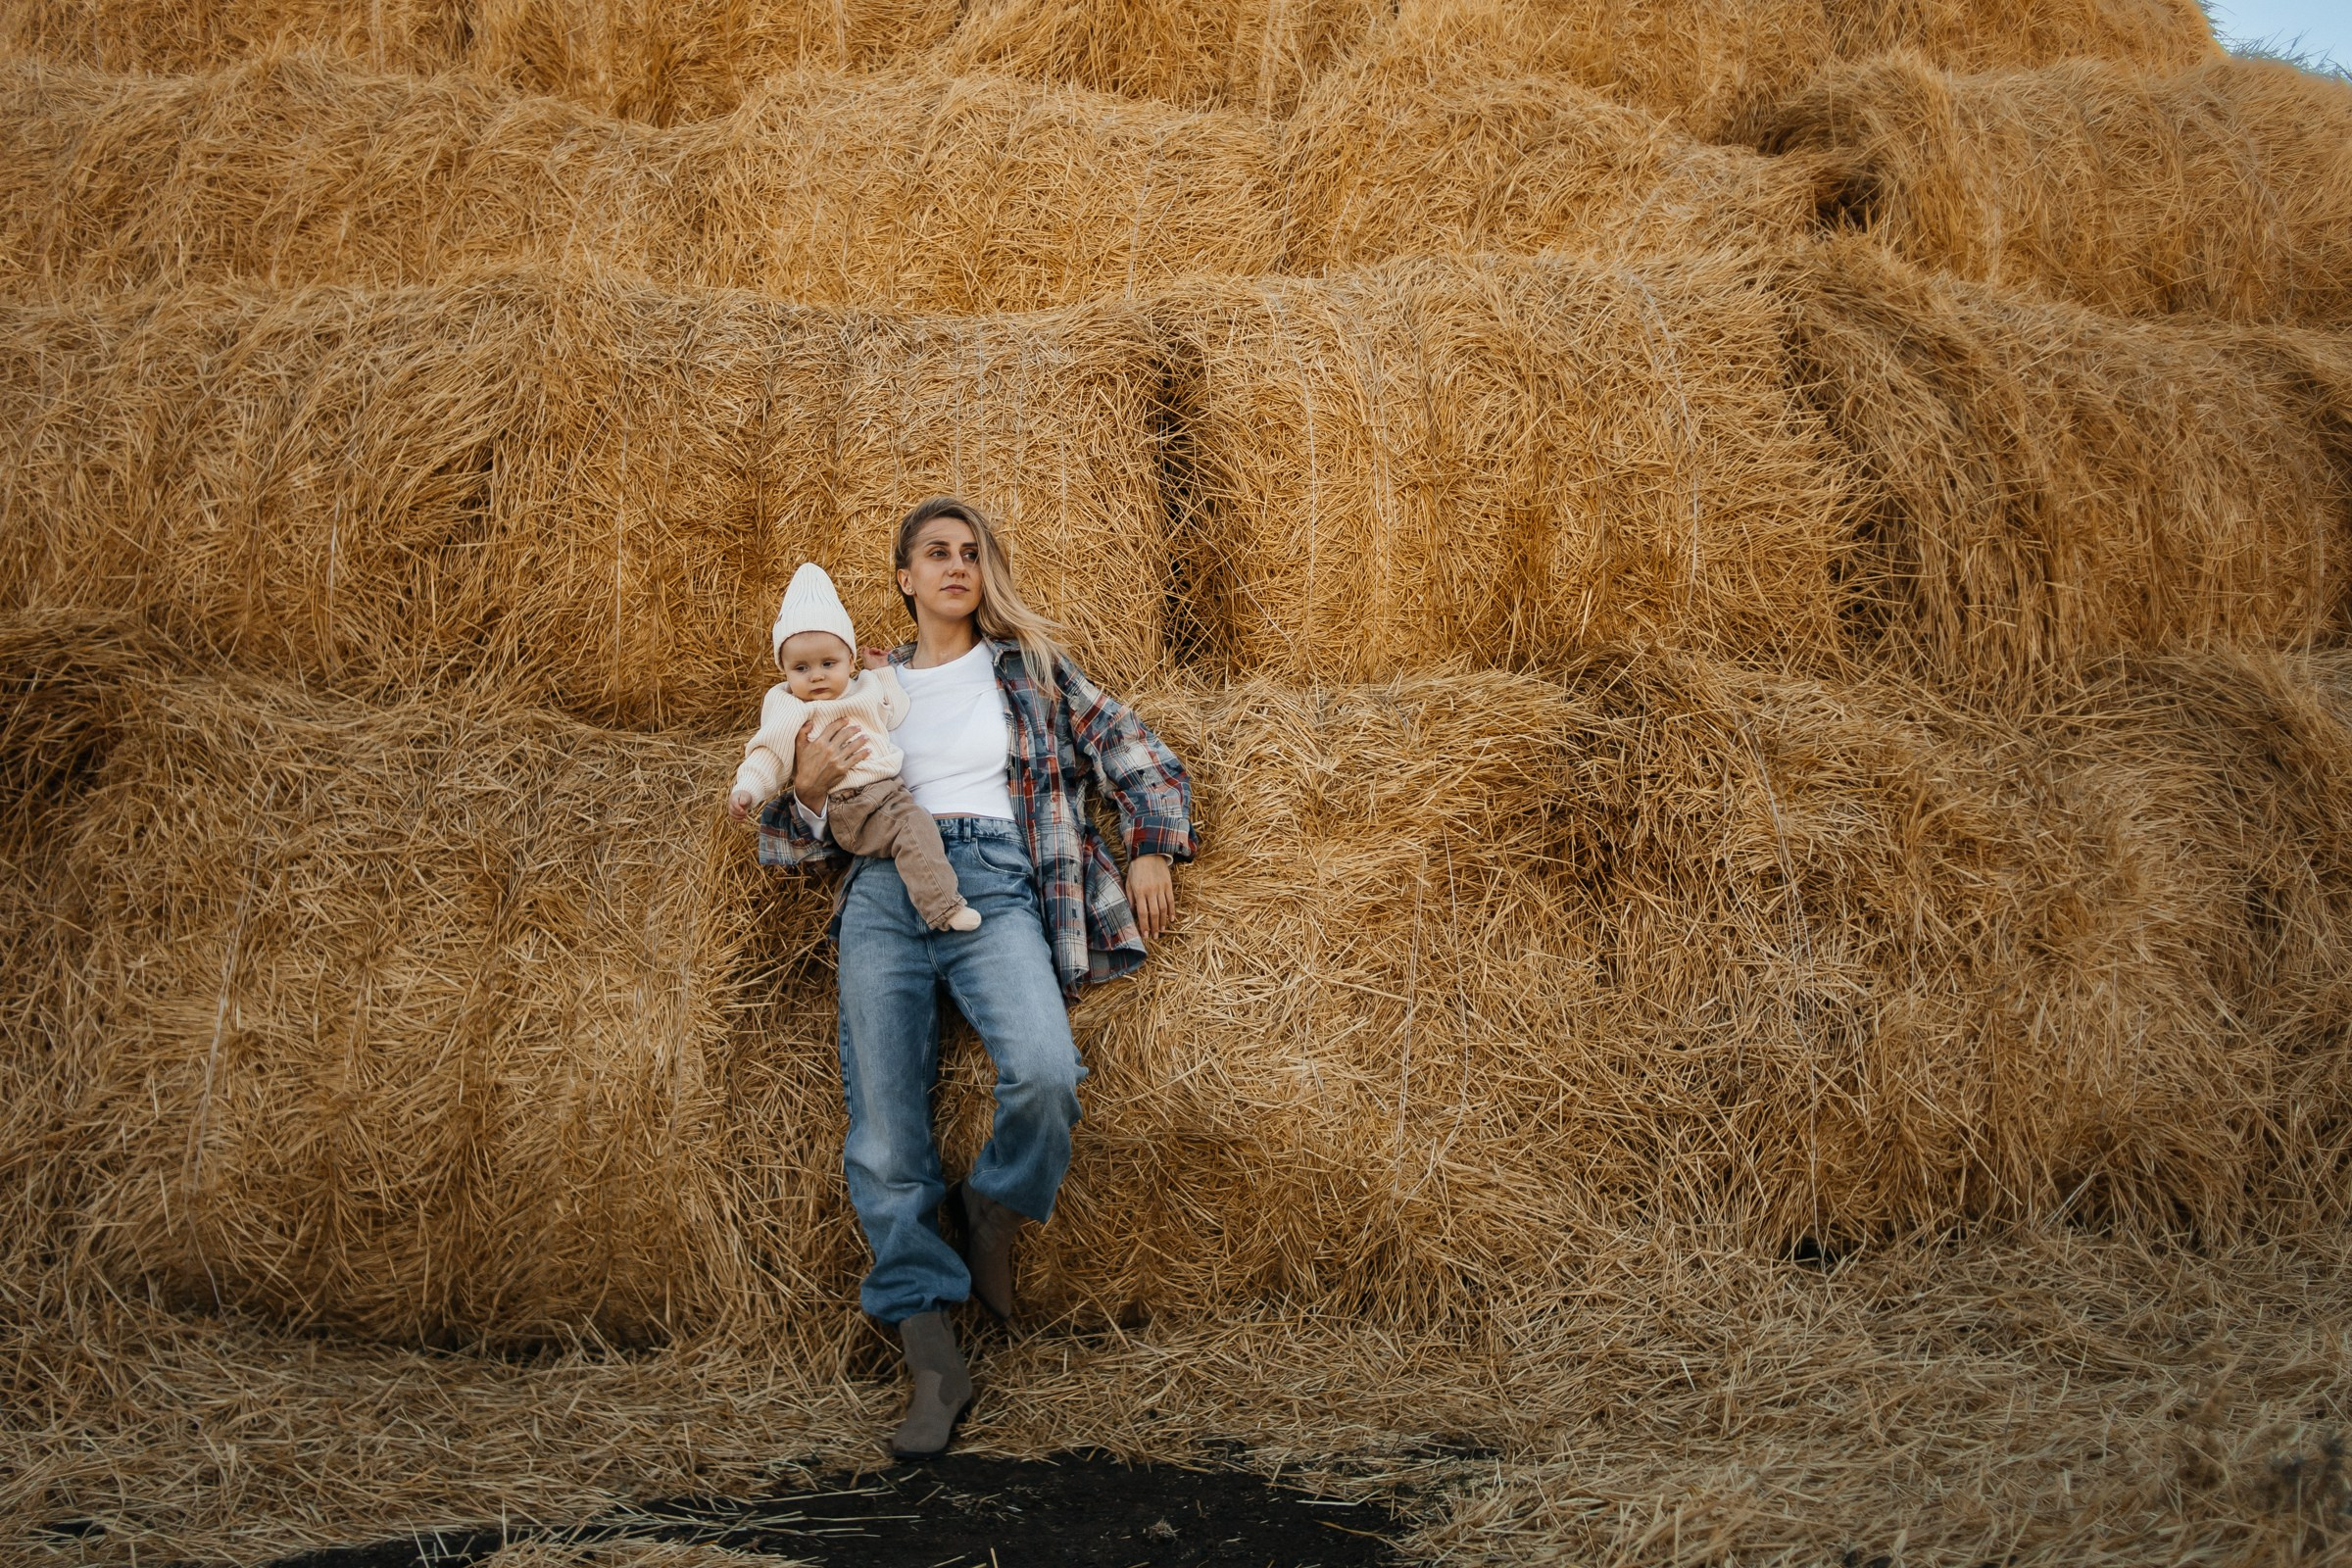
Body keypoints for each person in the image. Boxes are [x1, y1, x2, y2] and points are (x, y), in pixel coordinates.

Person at [754, 497, 1194, 1460]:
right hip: (882, 891)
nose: (957, 566)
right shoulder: (852, 683)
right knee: (885, 1136)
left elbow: (1133, 749)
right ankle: (931, 1358)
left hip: (995, 880)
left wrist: (1153, 846)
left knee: (1045, 1071)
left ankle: (991, 1205)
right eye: (936, 553)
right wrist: (813, 790)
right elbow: (781, 838)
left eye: (971, 552)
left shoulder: (1028, 669)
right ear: (904, 578)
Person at [729, 562, 981, 933]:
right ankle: (944, 909)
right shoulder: (790, 706)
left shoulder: (864, 687)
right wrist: (748, 788)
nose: (816, 675)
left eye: (828, 663)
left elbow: (895, 712)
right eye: (801, 668)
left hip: (888, 792)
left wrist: (881, 672)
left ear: (850, 659)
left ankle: (921, 904)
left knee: (915, 826)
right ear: (783, 670)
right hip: (850, 804)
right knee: (913, 825)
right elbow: (769, 754)